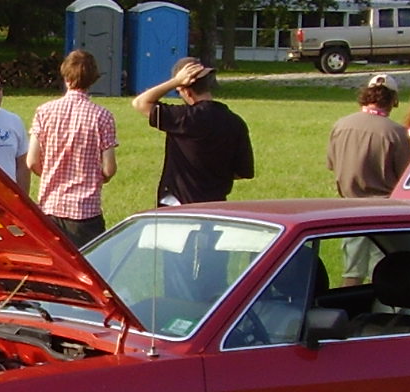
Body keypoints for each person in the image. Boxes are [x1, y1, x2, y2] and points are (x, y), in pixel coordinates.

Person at [325, 76, 410, 285]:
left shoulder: (341, 125)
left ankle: (350, 305)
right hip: (385, 212)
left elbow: (332, 164)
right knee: (383, 275)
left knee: (351, 272)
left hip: (351, 208)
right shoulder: (396, 133)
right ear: (393, 99)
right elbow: (407, 176)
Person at [26, 50, 118, 248]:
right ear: (92, 79)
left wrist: (50, 173)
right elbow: (109, 168)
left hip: (50, 207)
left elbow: (32, 161)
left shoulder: (44, 111)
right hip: (85, 212)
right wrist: (95, 177)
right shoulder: (102, 116)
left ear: (65, 75)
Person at [131, 57, 253, 205]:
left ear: (185, 91)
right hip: (216, 207)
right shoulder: (235, 122)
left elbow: (140, 102)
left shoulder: (184, 118)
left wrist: (175, 81)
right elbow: (242, 172)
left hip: (179, 206)